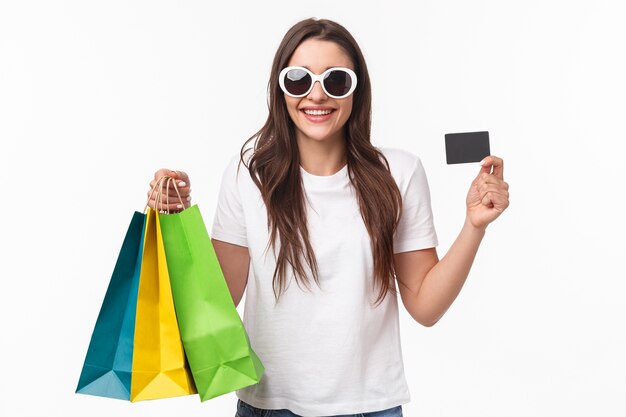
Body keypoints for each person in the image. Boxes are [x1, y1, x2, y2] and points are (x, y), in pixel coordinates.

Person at [147, 17, 509, 417]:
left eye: (336, 81)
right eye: (299, 80)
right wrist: (172, 221)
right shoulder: (247, 174)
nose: (316, 96)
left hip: (370, 407)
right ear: (280, 89)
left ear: (357, 91)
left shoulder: (399, 173)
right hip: (268, 407)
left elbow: (425, 306)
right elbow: (217, 301)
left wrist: (474, 226)